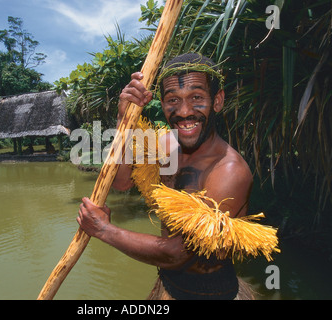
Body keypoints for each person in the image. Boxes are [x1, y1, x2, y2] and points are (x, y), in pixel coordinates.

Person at [76, 53, 255, 300]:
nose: (183, 111)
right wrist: (124, 119)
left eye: (196, 98)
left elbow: (179, 253)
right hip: (168, 287)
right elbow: (121, 181)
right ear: (161, 103)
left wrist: (104, 230)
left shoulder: (228, 170)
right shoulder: (166, 146)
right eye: (173, 100)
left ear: (217, 100)